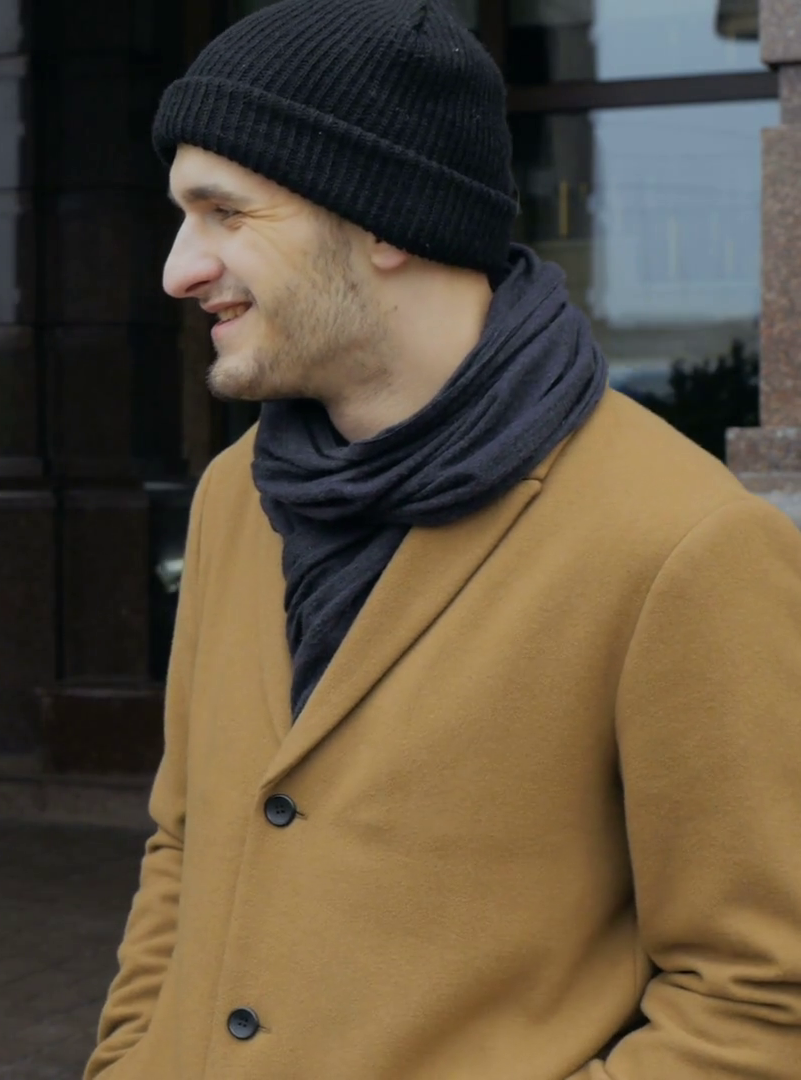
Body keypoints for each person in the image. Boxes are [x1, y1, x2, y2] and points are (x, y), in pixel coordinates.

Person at [87, 1, 801, 1077]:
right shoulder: (236, 497)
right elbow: (185, 845)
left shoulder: (685, 546)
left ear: (387, 220)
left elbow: (759, 1001)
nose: (179, 269)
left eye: (225, 212)